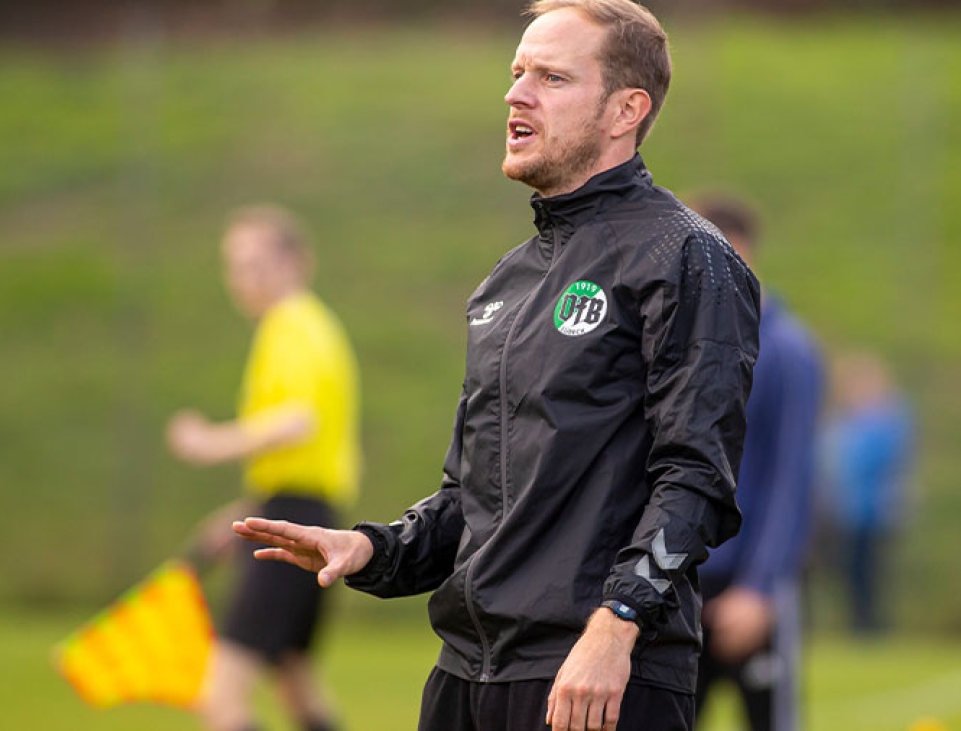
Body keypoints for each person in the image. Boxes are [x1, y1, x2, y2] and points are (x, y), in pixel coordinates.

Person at [231, 2, 762, 730]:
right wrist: (372, 547)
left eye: (551, 76)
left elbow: (697, 478)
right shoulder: (506, 284)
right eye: (516, 73)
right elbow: (474, 497)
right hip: (464, 676)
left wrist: (615, 627)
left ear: (624, 110)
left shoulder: (684, 255)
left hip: (595, 679)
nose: (516, 93)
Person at [166, 205, 360, 731]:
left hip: (293, 515)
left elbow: (297, 422)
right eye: (235, 265)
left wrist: (208, 441)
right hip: (302, 513)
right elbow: (304, 454)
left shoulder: (292, 323)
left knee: (223, 698)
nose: (244, 278)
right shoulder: (311, 325)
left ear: (297, 262)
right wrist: (249, 512)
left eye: (257, 263)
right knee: (296, 681)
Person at [688, 196, 823, 731]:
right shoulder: (675, 342)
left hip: (750, 585)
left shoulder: (788, 351)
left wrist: (761, 588)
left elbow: (795, 475)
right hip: (677, 584)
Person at [817, 350, 913, 636]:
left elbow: (871, 464)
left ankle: (868, 627)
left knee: (868, 573)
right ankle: (858, 625)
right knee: (849, 573)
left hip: (872, 512)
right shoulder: (844, 422)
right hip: (843, 512)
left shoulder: (887, 420)